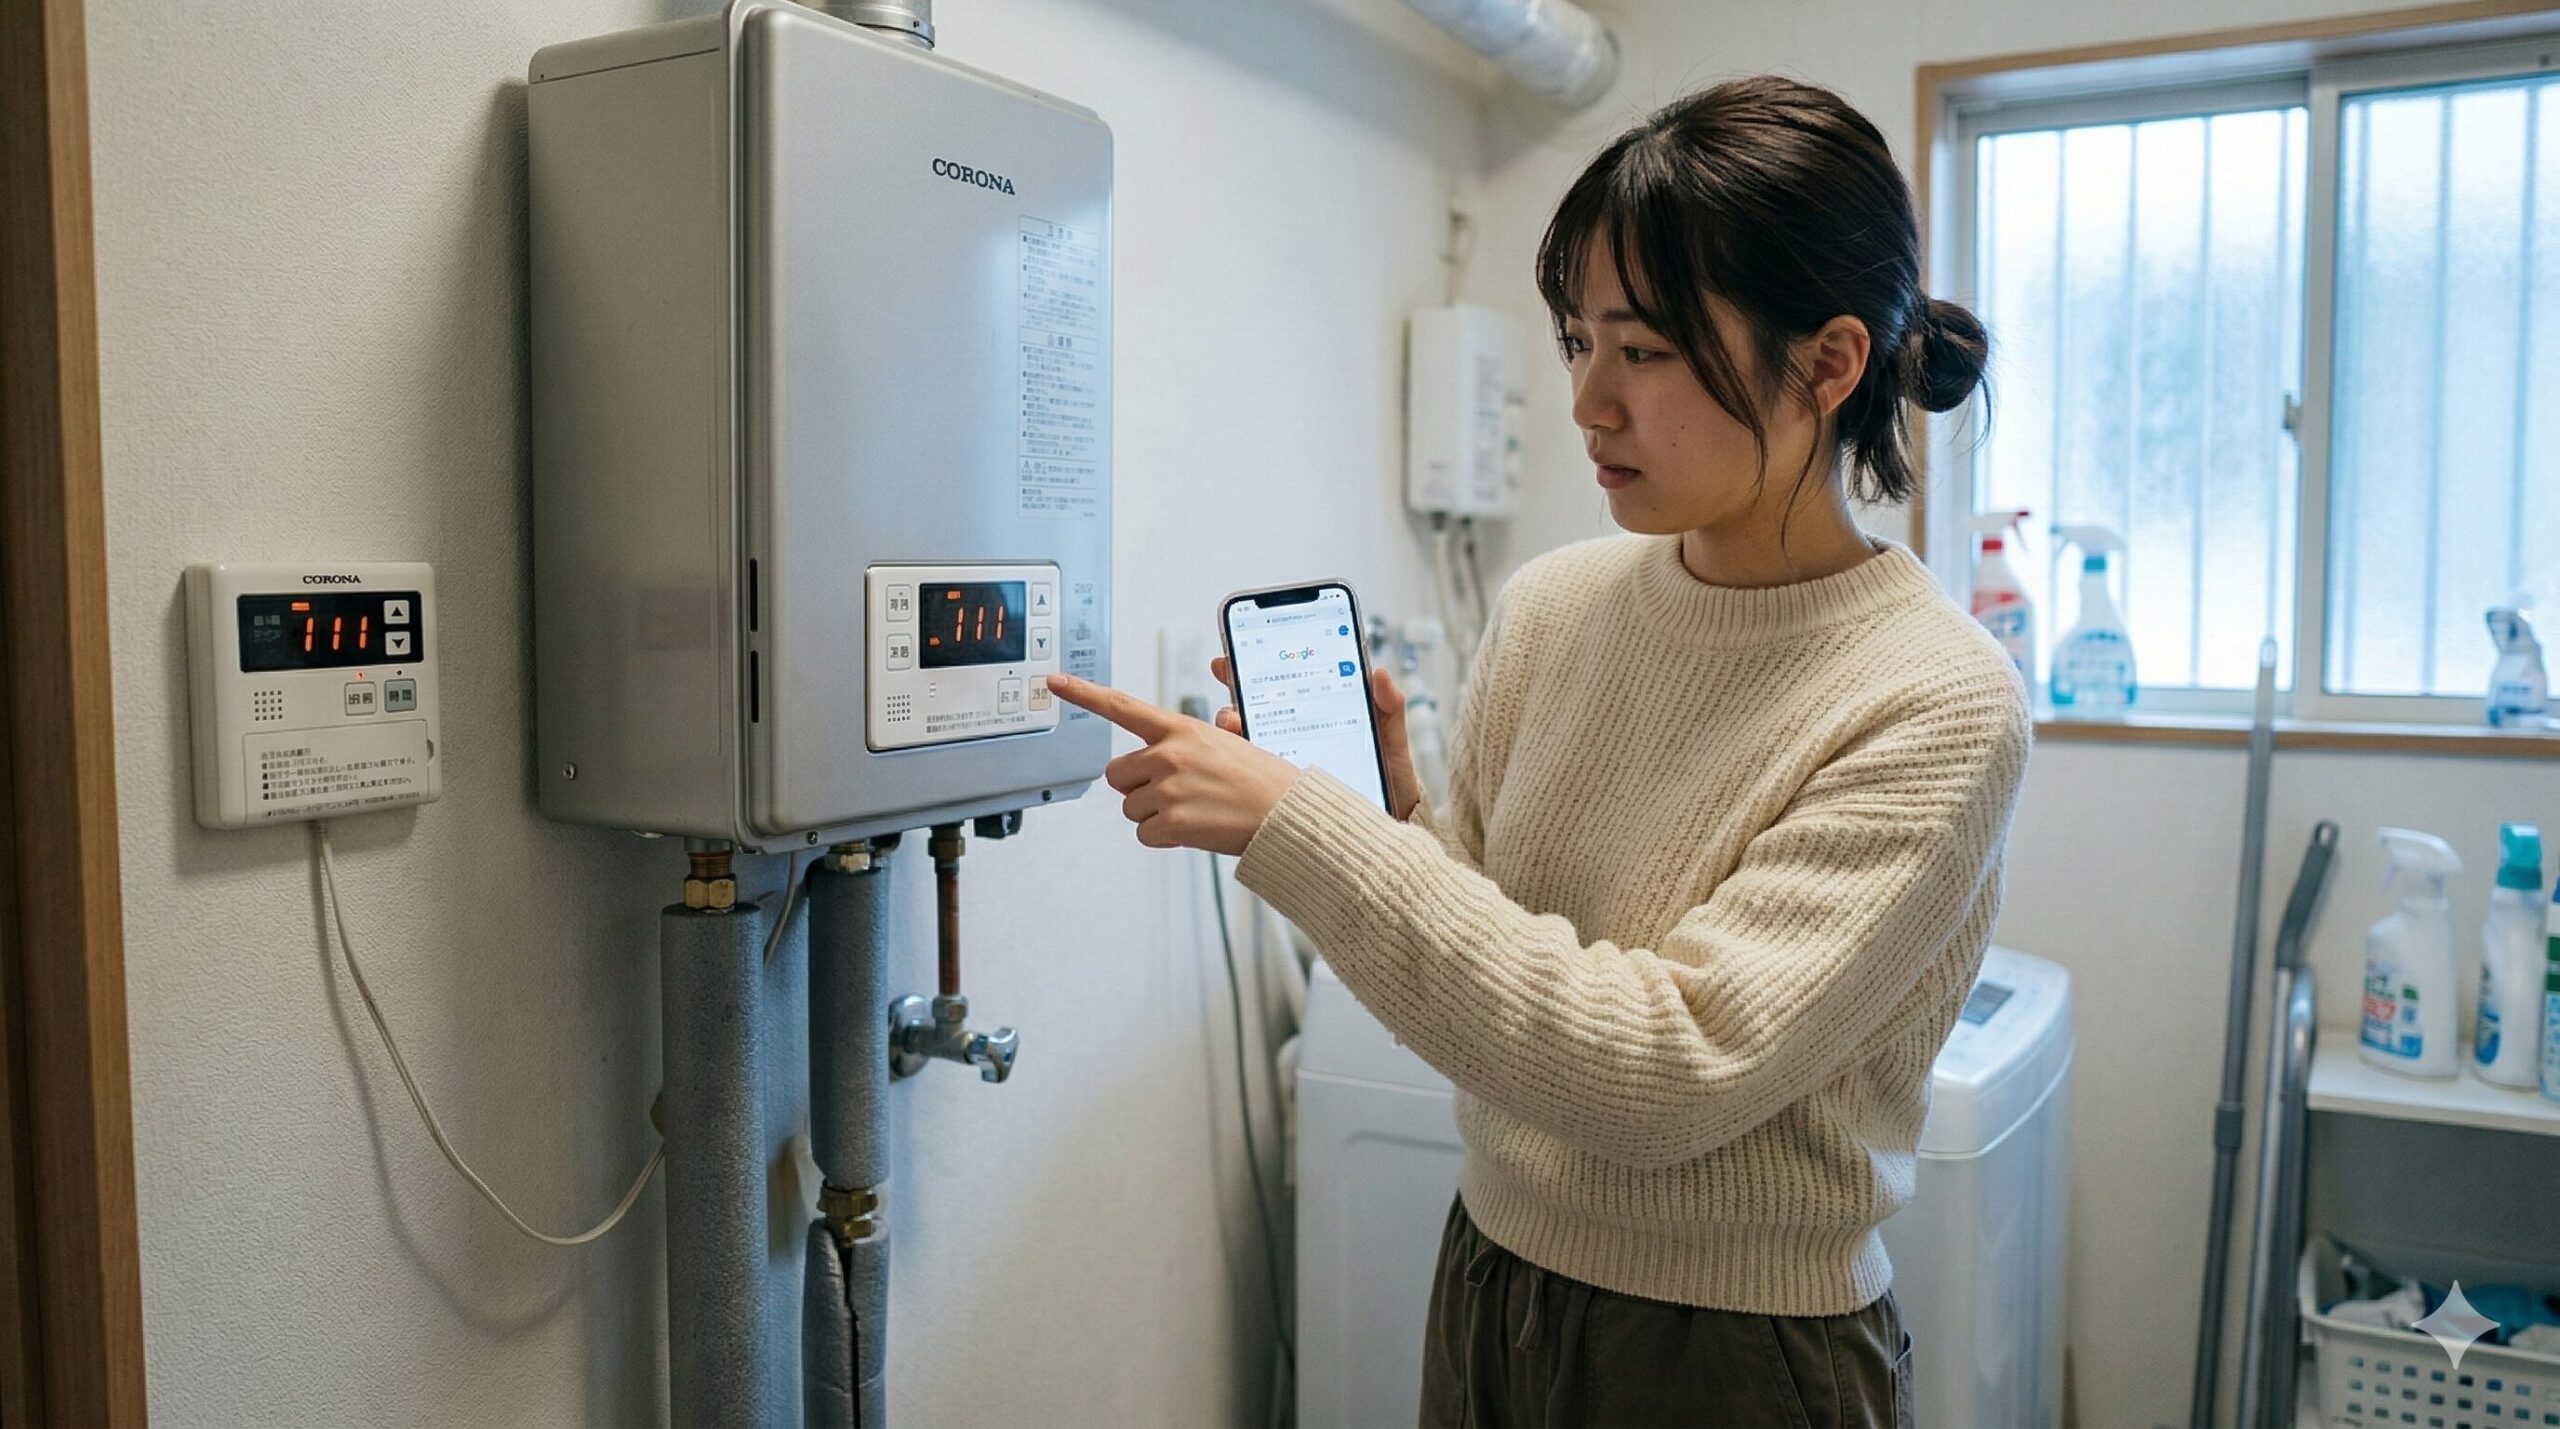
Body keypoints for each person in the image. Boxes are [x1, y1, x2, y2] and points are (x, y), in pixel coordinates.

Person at [1045, 75, 2029, 1429]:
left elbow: (1667, 1068)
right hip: (1494, 1279)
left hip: (1738, 1357)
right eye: (1578, 340)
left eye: (1646, 349)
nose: (1586, 402)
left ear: (1829, 363)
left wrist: (1301, 829)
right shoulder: (1554, 608)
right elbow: (1491, 966)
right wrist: (1383, 815)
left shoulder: (1937, 696)